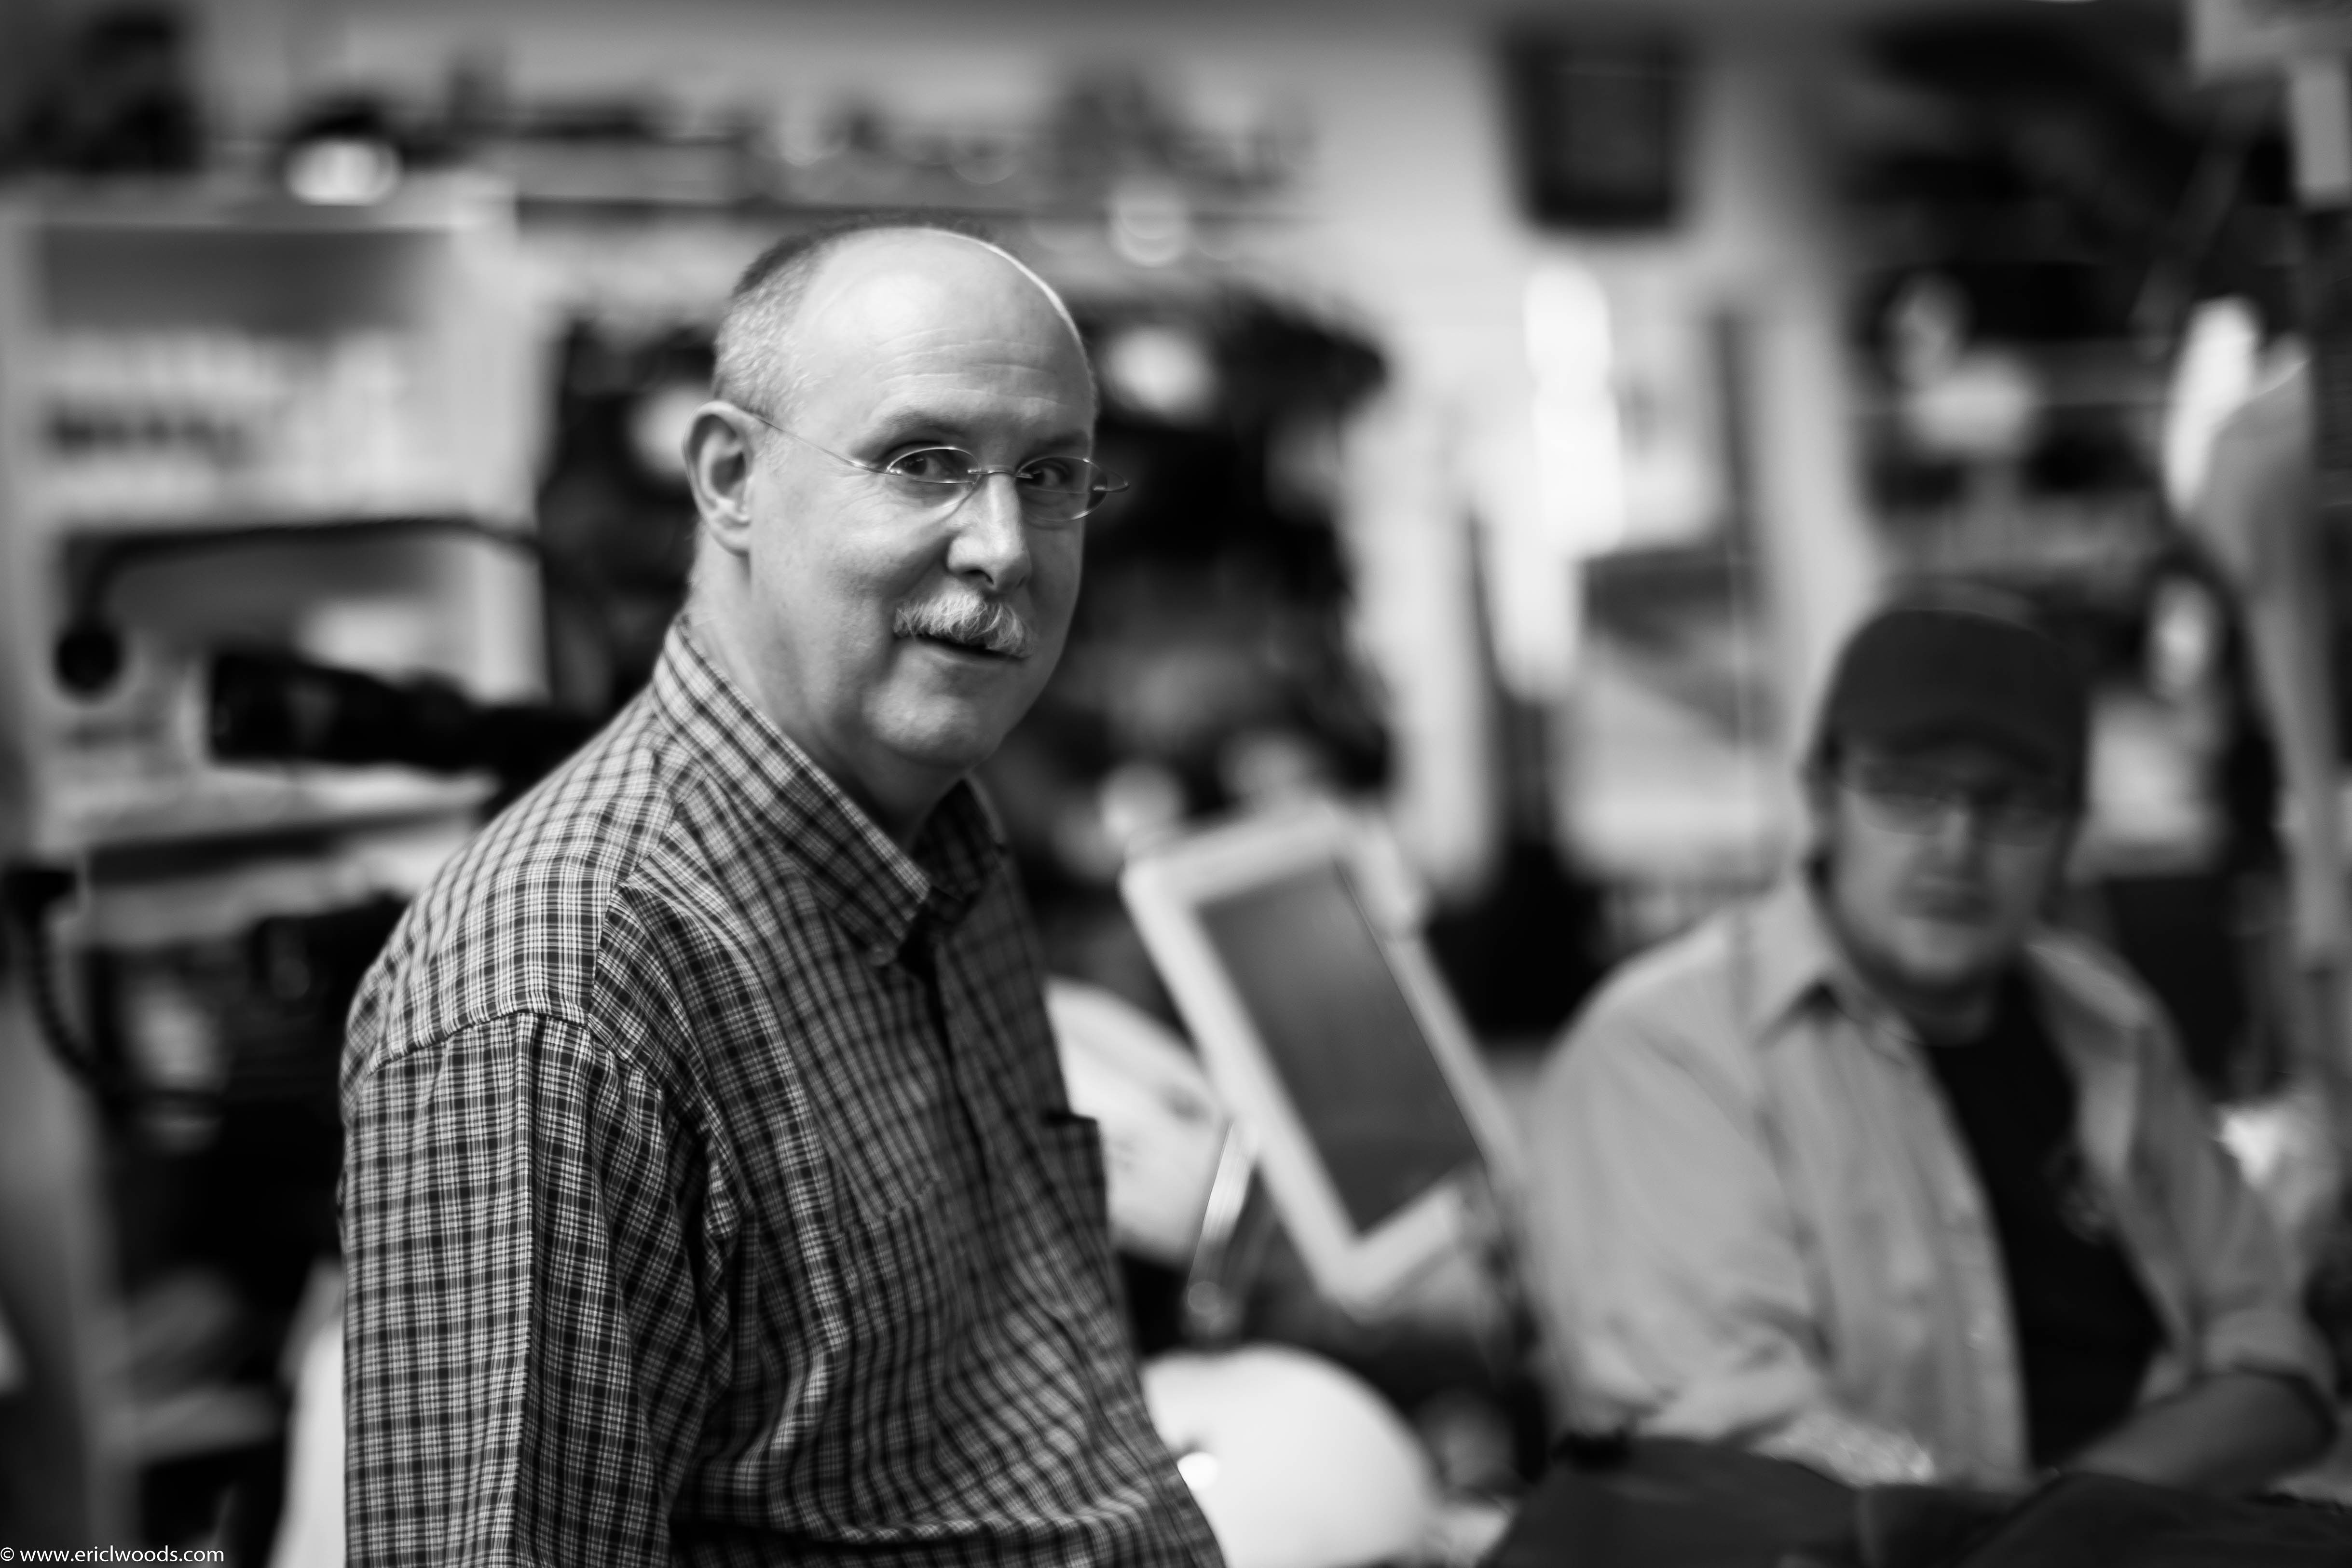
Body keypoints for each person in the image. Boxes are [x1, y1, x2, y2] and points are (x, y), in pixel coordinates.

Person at [342, 220, 1223, 1566]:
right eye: (922, 462)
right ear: (730, 478)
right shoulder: (557, 1000)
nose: (1003, 547)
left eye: (1048, 475)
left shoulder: (937, 831)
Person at [1523, 595, 2336, 1495]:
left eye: (2014, 802)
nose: (1957, 843)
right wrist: (2034, 1536)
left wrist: (2061, 1526)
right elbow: (1731, 1449)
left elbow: (2279, 1368)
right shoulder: (1669, 1052)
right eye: (1907, 789)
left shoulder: (2114, 1028)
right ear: (1821, 795)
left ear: (2073, 830)